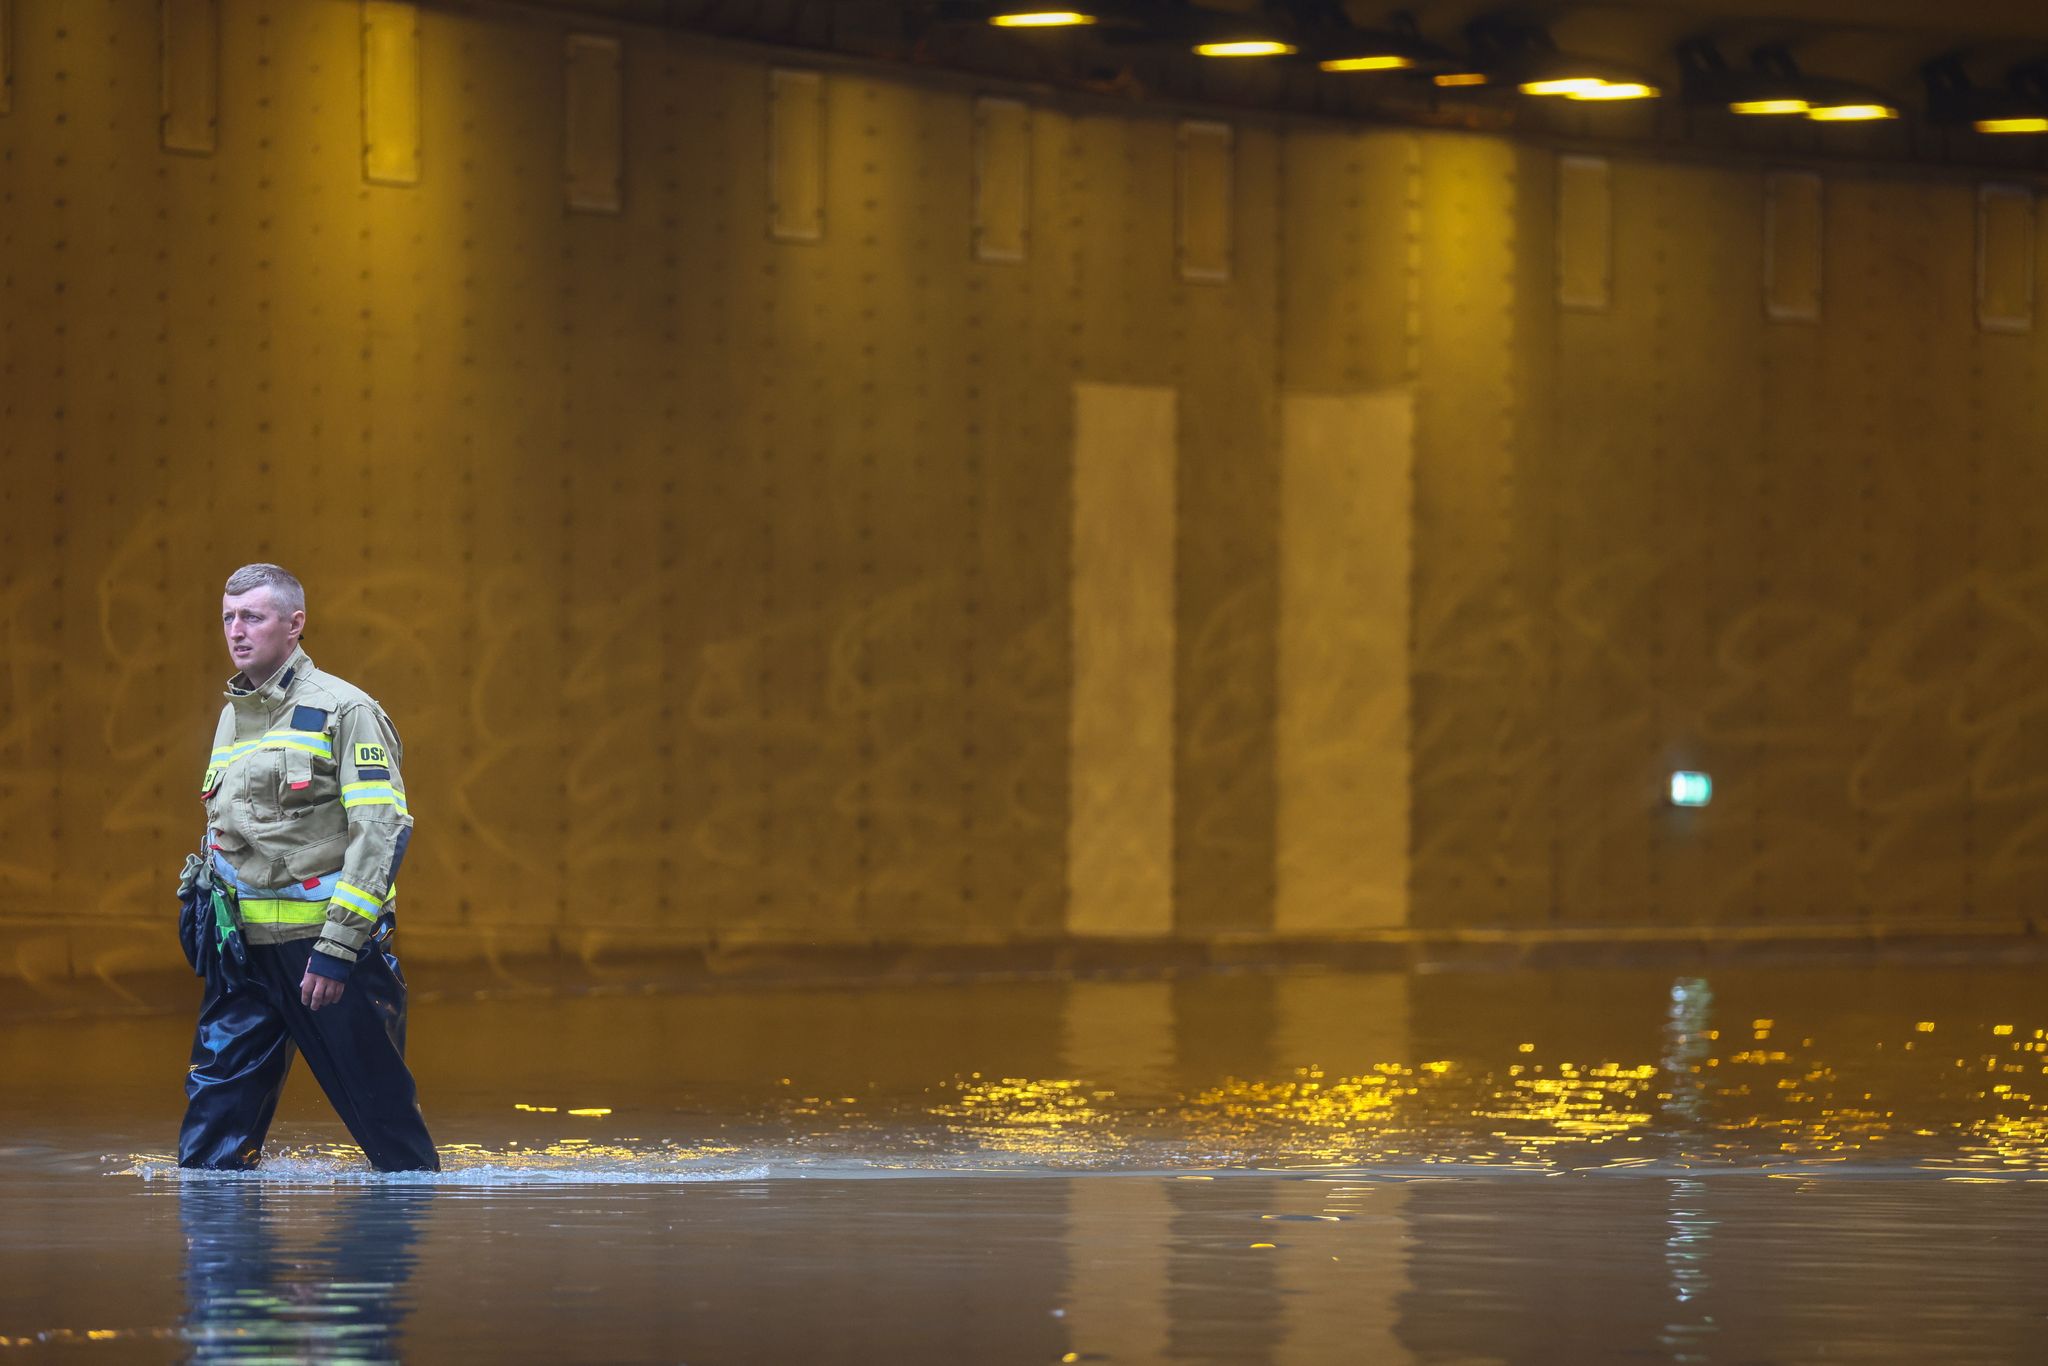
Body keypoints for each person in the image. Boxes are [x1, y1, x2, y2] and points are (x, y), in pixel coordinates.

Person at [178, 563, 438, 1172]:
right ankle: (225, 1263)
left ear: (295, 625)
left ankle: (383, 1257)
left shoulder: (345, 711)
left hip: (326, 959)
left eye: (253, 617)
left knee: (392, 1143)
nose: (236, 631)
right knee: (208, 1151)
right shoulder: (233, 716)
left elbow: (382, 828)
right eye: (228, 617)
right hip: (242, 955)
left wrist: (338, 949)